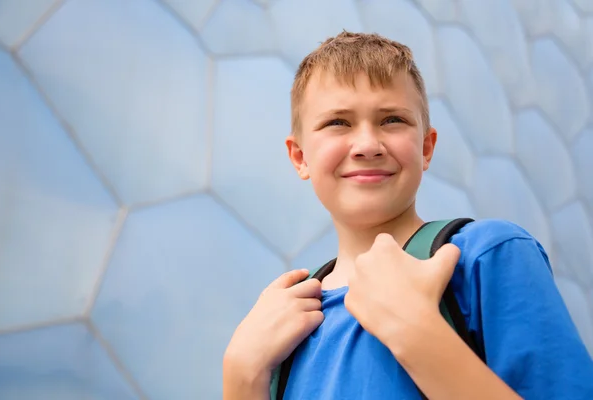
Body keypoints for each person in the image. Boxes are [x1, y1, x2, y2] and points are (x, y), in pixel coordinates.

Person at [222, 31, 593, 399]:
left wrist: (416, 334)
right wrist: (242, 377)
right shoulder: (284, 328)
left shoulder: (486, 257)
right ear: (300, 157)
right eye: (338, 122)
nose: (367, 145)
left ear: (426, 147)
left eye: (392, 120)